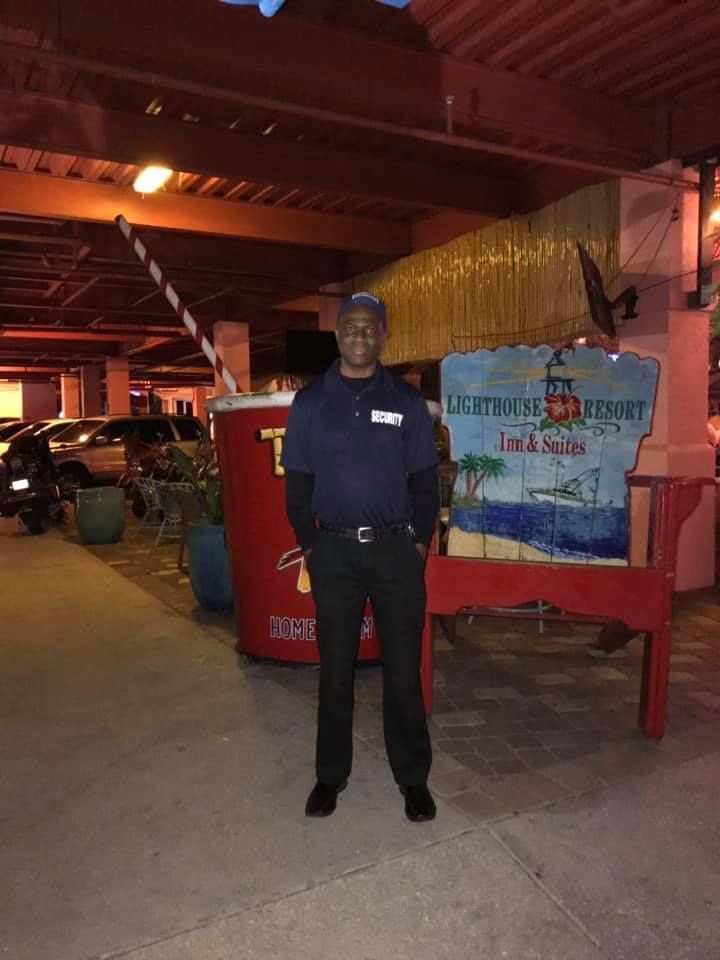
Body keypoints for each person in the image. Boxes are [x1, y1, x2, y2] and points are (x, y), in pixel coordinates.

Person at [281, 291, 440, 822]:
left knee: (401, 672)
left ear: (383, 335)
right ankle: (330, 777)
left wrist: (417, 545)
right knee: (336, 672)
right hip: (335, 554)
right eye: (350, 326)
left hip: (396, 552)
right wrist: (311, 545)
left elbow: (424, 482)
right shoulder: (309, 404)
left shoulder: (405, 401)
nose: (359, 335)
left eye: (370, 327)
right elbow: (297, 486)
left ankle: (413, 780)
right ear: (337, 334)